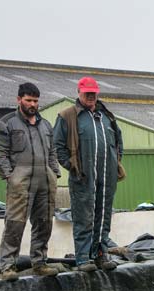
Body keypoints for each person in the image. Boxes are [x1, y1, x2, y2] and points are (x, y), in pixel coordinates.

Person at [53, 76, 124, 272]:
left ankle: (101, 254)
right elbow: (58, 146)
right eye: (87, 93)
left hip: (106, 177)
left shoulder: (106, 116)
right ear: (79, 93)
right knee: (84, 217)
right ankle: (83, 258)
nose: (91, 96)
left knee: (103, 216)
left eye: (93, 93)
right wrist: (72, 166)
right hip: (83, 178)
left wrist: (115, 163)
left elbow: (118, 142)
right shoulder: (68, 116)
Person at [0, 82, 60, 280]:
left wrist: (54, 172)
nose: (32, 104)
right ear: (19, 99)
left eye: (36, 101)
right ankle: (8, 266)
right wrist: (9, 176)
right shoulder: (7, 123)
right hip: (20, 181)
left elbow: (52, 151)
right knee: (15, 224)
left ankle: (39, 262)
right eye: (29, 100)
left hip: (45, 181)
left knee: (44, 222)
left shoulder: (45, 125)